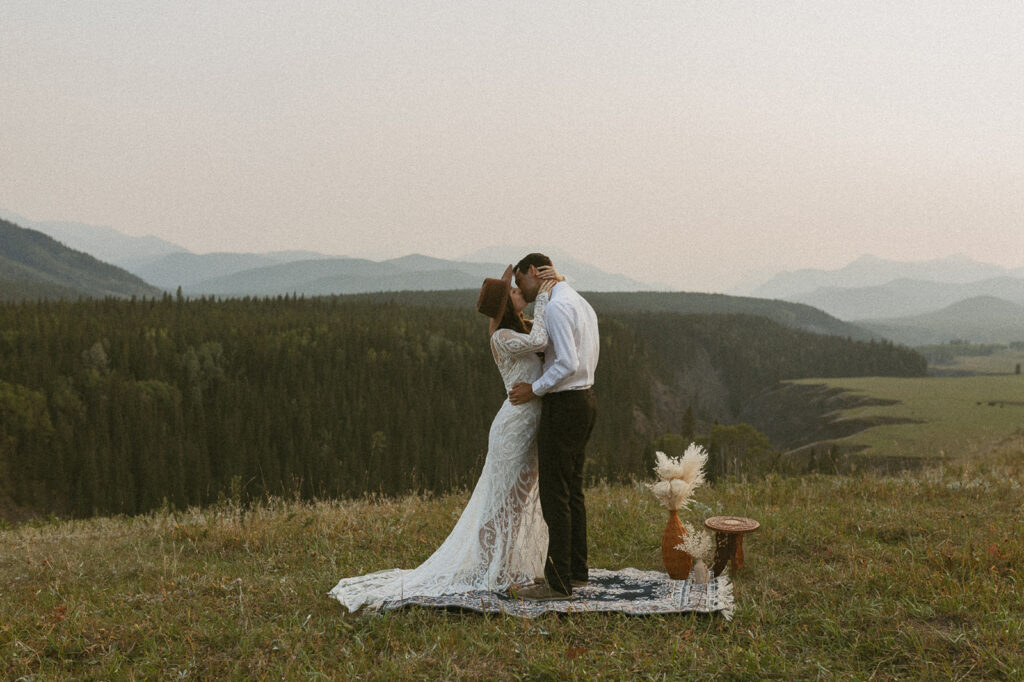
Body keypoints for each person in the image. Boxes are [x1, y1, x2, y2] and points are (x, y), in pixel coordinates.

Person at [328, 265, 559, 611]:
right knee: (503, 501)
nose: (518, 293)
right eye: (513, 292)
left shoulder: (514, 329)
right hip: (514, 426)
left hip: (529, 423)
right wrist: (544, 296)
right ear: (505, 307)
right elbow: (540, 341)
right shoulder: (501, 336)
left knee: (518, 498)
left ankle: (505, 564)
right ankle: (491, 568)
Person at [508, 253, 599, 601]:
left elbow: (567, 362)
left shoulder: (559, 307)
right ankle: (577, 572)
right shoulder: (579, 302)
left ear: (534, 272)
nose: (520, 290)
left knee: (555, 493)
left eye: (520, 282)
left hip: (565, 404)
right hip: (585, 399)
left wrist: (534, 388)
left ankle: (558, 582)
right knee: (572, 490)